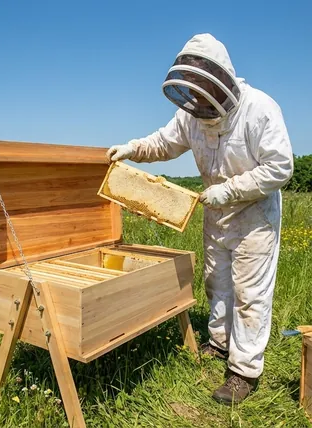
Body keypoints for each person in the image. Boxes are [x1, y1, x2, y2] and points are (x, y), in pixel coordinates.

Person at [106, 33, 293, 404]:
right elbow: (163, 143)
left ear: (221, 78)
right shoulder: (190, 115)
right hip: (215, 212)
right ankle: (219, 343)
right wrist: (132, 148)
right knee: (216, 281)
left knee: (249, 294)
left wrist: (230, 190)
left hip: (254, 215)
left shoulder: (259, 109)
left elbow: (280, 167)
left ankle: (244, 371)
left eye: (204, 86)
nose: (200, 98)